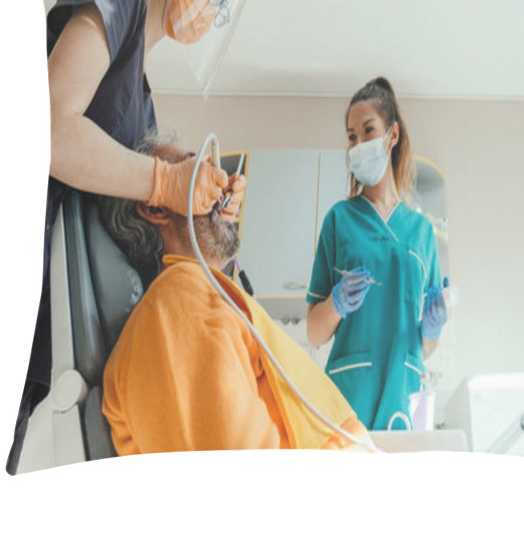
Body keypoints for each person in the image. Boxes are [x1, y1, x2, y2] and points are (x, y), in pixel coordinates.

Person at [8, 0, 252, 473]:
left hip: (47, 334)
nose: (212, 13)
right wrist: (168, 180)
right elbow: (45, 129)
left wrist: (206, 209)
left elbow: (130, 207)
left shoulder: (142, 100)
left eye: (222, 9)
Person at [98, 136, 371, 453]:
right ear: (156, 206)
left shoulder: (203, 295)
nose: (221, 182)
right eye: (198, 168)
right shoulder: (177, 302)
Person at [306, 77, 448, 431]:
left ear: (392, 135)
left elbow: (426, 347)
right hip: (349, 398)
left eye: (368, 131)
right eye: (352, 136)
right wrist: (336, 304)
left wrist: (432, 327)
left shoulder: (422, 232)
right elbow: (313, 333)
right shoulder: (339, 220)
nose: (358, 144)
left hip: (405, 396)